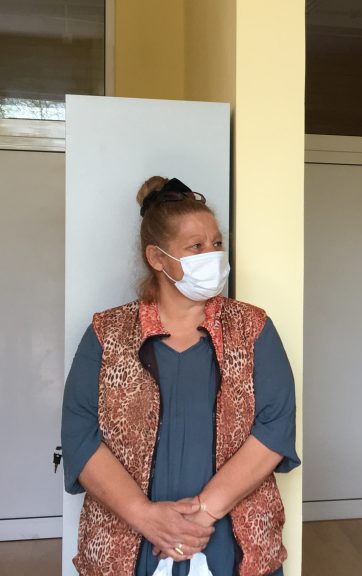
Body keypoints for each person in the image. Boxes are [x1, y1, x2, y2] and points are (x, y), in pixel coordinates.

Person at [61, 176, 300, 576]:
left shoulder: (252, 327)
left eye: (217, 243)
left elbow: (276, 425)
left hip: (232, 545)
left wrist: (200, 516)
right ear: (157, 258)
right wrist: (146, 516)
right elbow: (79, 434)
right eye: (196, 246)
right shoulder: (108, 333)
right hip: (129, 546)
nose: (214, 254)